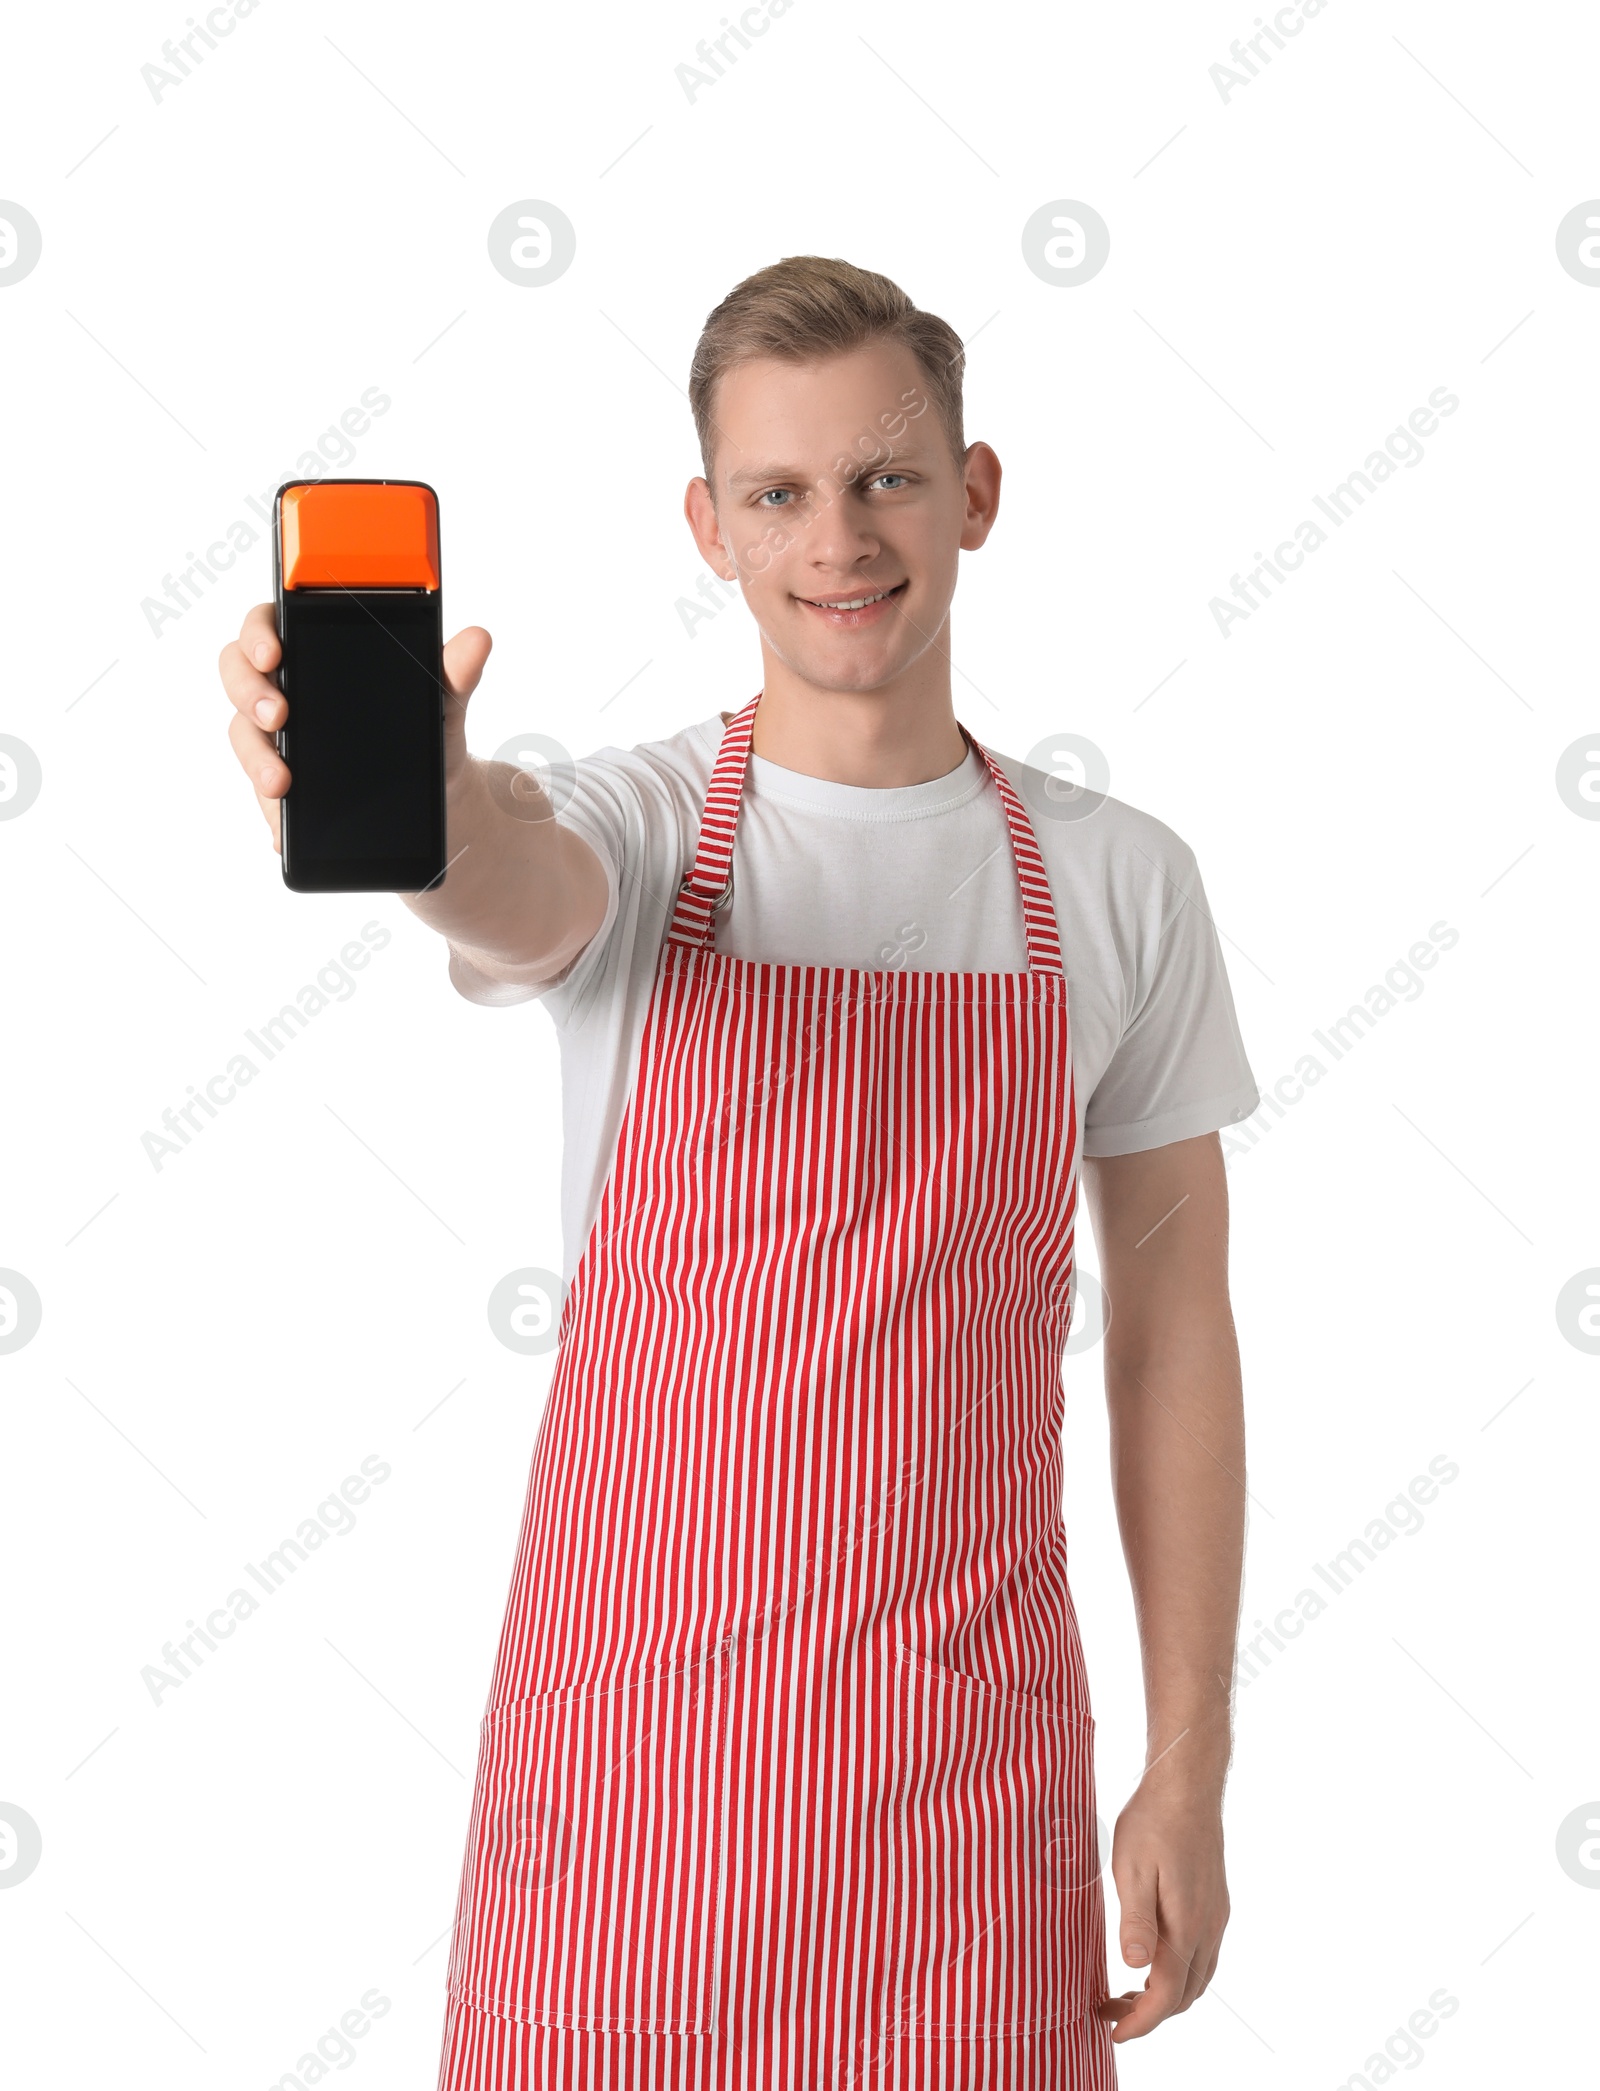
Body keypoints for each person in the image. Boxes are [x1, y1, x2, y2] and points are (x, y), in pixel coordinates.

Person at [220, 255, 1260, 2090]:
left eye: (886, 478)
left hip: (970, 1796)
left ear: (977, 494)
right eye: (778, 493)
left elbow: (1175, 1333)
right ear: (709, 526)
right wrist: (424, 791)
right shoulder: (623, 826)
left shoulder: (1122, 882)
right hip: (631, 1792)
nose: (838, 538)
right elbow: (507, 885)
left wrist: (1187, 1763)